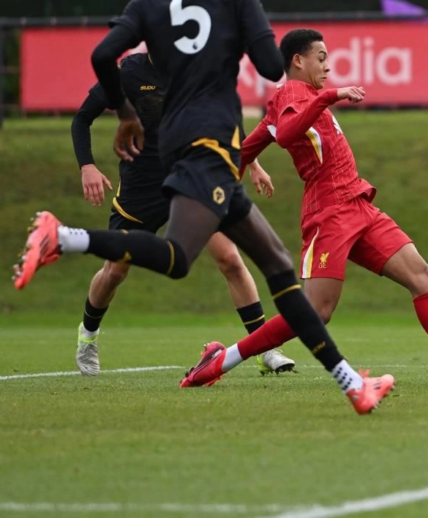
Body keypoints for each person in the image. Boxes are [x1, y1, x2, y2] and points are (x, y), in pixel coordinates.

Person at [13, 0, 394, 415]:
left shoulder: (151, 1)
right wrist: (233, 38)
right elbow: (267, 64)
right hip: (207, 144)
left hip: (192, 148)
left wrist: (125, 112)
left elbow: (104, 55)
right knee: (176, 259)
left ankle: (353, 387)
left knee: (279, 268)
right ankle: (62, 237)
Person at [180, 29, 428, 387]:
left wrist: (245, 167)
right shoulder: (295, 92)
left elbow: (250, 145)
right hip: (329, 212)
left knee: (423, 277)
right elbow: (291, 131)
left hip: (358, 204)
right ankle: (221, 361)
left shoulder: (301, 97)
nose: (327, 66)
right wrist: (329, 96)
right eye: (321, 57)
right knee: (315, 312)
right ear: (298, 60)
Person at [70, 53, 294, 377]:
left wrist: (253, 163)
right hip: (142, 187)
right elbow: (82, 119)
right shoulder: (129, 71)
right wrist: (87, 166)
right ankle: (88, 336)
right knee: (116, 271)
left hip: (192, 179)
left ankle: (264, 348)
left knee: (230, 259)